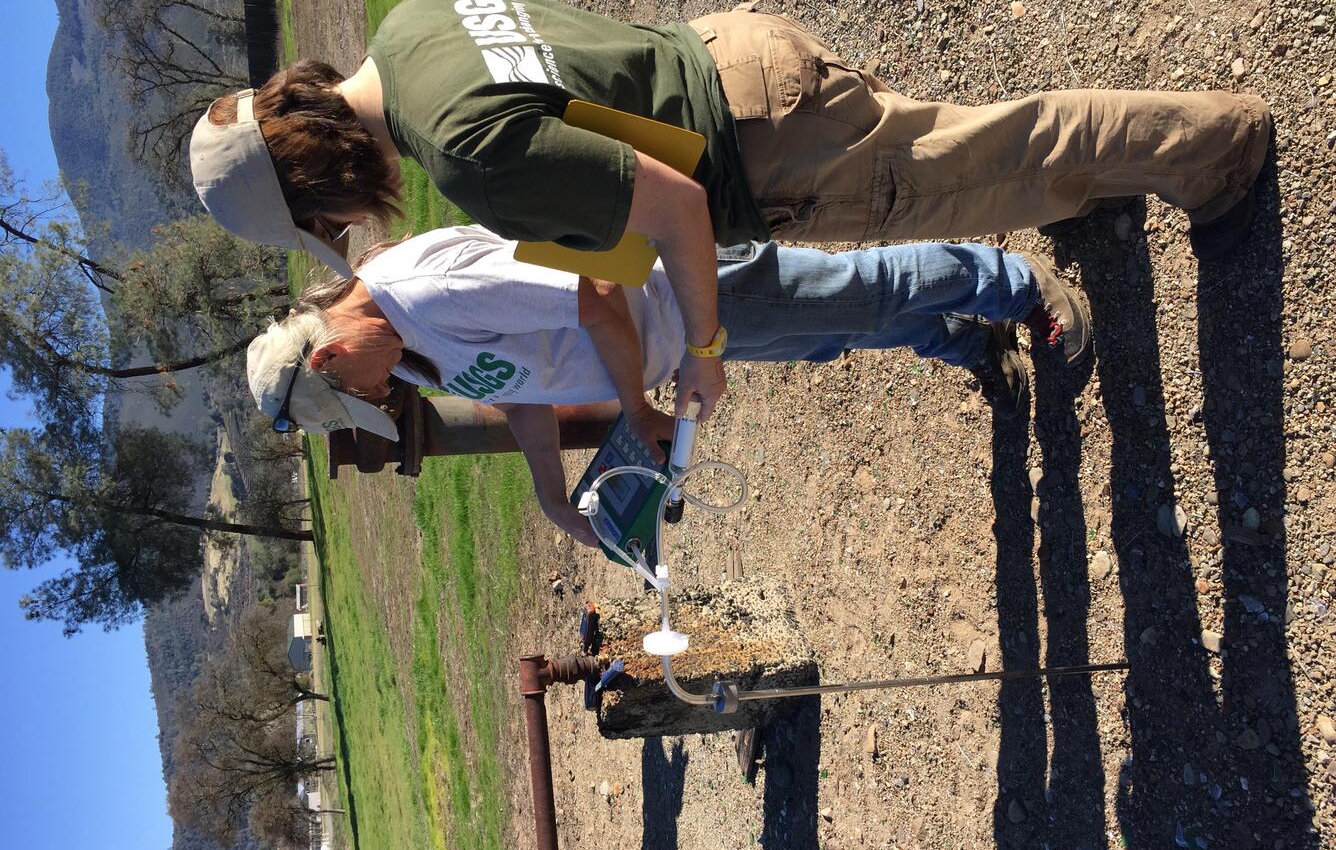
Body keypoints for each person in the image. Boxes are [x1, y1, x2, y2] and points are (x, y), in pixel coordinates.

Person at [193, 0, 1270, 423]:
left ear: (314, 172)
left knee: (998, 157)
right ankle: (1116, 187)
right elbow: (598, 154)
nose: (344, 226)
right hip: (730, 58)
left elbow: (669, 207)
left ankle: (1213, 150)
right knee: (984, 150)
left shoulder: (460, 152)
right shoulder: (411, 23)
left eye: (321, 217)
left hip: (762, 152)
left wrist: (701, 344)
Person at [245, 225, 1088, 545]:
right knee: (830, 336)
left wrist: (640, 409)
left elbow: (598, 291)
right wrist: (549, 498)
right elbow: (521, 390)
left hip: (678, 296)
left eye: (357, 389)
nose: (378, 396)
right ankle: (966, 347)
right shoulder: (409, 348)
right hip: (675, 345)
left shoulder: (426, 295)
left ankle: (1017, 285)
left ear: (327, 356)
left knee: (856, 293)